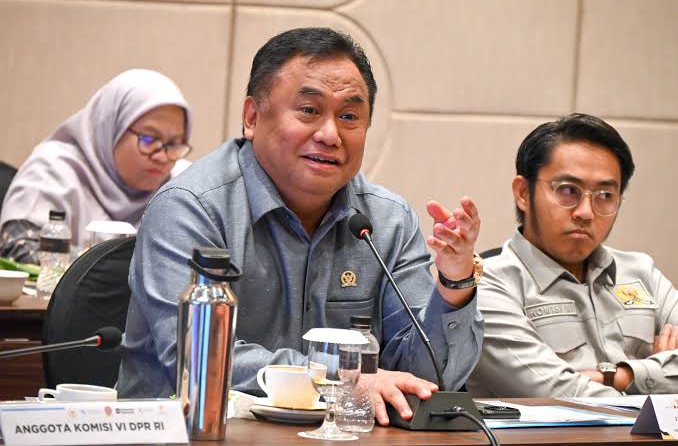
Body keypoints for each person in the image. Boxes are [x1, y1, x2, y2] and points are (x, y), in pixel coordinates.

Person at [117, 27, 484, 426]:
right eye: (309, 110)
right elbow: (198, 356)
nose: (330, 135)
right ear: (252, 117)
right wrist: (345, 378)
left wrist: (454, 284)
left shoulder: (386, 221)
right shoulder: (190, 208)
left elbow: (429, 379)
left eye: (349, 116)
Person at [466, 113, 678, 398]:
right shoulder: (483, 282)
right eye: (568, 191)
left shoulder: (642, 272)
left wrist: (620, 375)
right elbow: (556, 393)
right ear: (523, 193)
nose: (586, 213)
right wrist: (659, 377)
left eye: (605, 195)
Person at [0, 69, 193, 263]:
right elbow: (19, 249)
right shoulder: (52, 170)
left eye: (174, 144)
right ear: (111, 129)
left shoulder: (181, 186)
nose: (162, 157)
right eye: (149, 139)